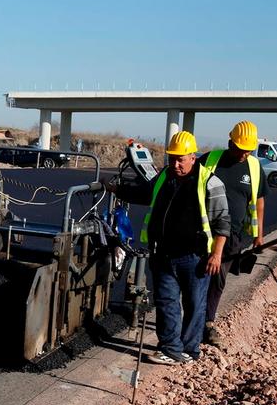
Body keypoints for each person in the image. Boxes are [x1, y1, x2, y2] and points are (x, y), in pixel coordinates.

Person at [105, 131, 230, 364]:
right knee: (166, 302)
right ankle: (171, 349)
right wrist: (114, 189)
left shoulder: (209, 183)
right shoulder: (164, 176)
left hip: (194, 257)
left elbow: (223, 222)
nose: (175, 164)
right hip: (163, 254)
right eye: (172, 158)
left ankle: (190, 350)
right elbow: (143, 193)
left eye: (180, 159)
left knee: (194, 304)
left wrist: (217, 254)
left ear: (193, 157)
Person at [198, 121, 267, 346]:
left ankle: (208, 323)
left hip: (232, 235)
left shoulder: (254, 167)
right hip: (204, 231)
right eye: (240, 149)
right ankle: (192, 320)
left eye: (249, 150)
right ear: (230, 143)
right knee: (197, 277)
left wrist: (258, 235)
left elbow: (259, 201)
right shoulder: (210, 160)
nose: (244, 154)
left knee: (218, 279)